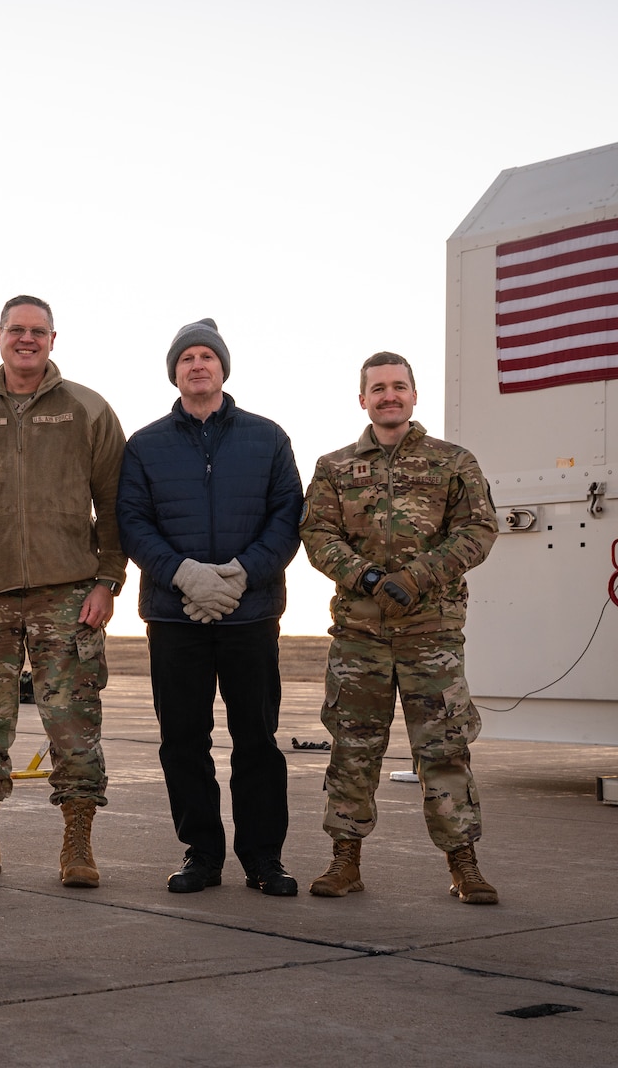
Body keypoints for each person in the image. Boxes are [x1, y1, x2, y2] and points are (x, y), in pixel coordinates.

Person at [0, 294, 126, 888]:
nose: (27, 339)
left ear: (54, 340)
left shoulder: (87, 409)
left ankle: (78, 846)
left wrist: (109, 580)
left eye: (38, 331)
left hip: (69, 594)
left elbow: (114, 503)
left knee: (73, 723)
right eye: (17, 330)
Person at [300, 351, 500, 903]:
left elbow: (479, 530)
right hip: (359, 637)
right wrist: (364, 576)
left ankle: (464, 865)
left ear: (414, 395)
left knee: (444, 749)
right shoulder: (334, 467)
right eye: (378, 388)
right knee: (353, 749)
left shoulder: (452, 461)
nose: (389, 396)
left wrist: (418, 577)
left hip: (430, 635)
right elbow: (316, 534)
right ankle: (345, 862)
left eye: (399, 386)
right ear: (361, 399)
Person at [118, 319, 304, 896]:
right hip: (176, 619)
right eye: (186, 359)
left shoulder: (268, 437)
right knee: (183, 741)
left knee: (257, 741)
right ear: (174, 373)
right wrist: (185, 577)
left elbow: (288, 518)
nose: (197, 365)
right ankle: (201, 853)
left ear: (223, 368)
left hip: (251, 616)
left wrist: (238, 576)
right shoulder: (144, 444)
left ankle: (263, 859)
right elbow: (133, 522)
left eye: (207, 357)